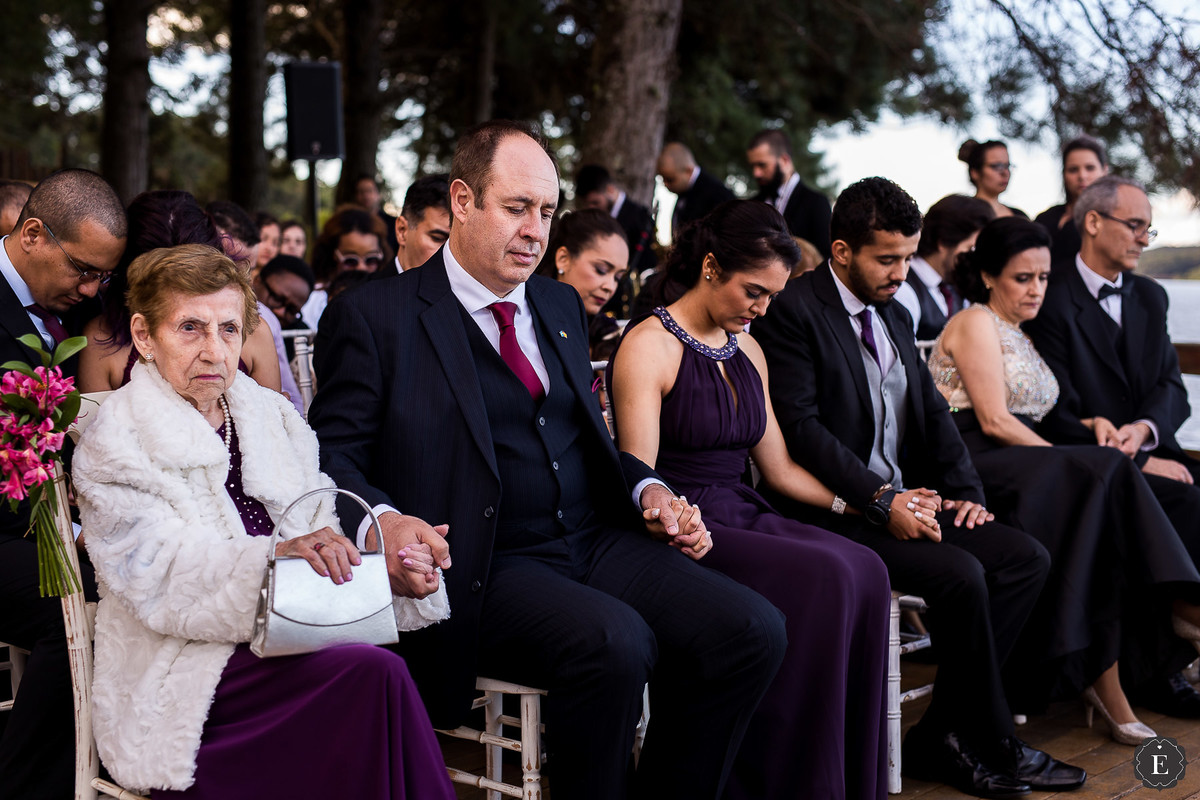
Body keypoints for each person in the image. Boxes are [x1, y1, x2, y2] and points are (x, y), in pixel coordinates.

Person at [309, 120, 787, 800]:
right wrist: (383, 521)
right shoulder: (373, 316)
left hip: (593, 538)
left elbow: (586, 438)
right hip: (481, 561)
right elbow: (333, 452)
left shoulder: (558, 302)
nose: (535, 231)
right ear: (463, 201)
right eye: (516, 208)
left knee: (751, 630)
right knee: (616, 643)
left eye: (546, 211)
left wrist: (649, 490)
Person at [71, 243, 454, 799]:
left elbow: (321, 523)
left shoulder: (269, 415)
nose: (213, 350)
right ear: (144, 335)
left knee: (375, 668)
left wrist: (386, 570)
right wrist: (274, 558)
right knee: (375, 674)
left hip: (295, 638)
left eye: (229, 329)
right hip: (185, 673)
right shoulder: (117, 437)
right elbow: (156, 574)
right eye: (190, 328)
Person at [752, 177, 1085, 797]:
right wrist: (881, 501)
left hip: (907, 499)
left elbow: (932, 414)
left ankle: (946, 734)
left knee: (1023, 559)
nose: (901, 273)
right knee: (961, 575)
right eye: (887, 259)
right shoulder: (792, 311)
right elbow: (803, 430)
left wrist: (967, 495)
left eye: (908, 256)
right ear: (842, 251)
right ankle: (991, 740)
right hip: (833, 511)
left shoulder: (896, 314)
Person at [609, 200, 891, 800]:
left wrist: (862, 507)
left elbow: (779, 469)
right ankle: (780, 780)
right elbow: (639, 473)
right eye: (754, 292)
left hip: (745, 507)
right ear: (711, 266)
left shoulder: (749, 350)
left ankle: (835, 778)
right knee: (827, 575)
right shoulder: (650, 345)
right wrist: (674, 518)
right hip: (686, 524)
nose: (762, 309)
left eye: (772, 297)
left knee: (866, 565)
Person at [929, 216, 1200, 741]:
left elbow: (1035, 412)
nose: (1037, 289)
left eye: (1044, 278)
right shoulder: (975, 322)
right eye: (1022, 278)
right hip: (974, 462)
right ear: (988, 276)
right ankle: (1181, 600)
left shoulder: (1020, 333)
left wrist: (1089, 425)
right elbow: (994, 420)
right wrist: (1068, 458)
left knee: (1099, 503)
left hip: (1022, 462)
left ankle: (1108, 672)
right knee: (1102, 471)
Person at [1025, 175, 1200, 716]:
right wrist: (1136, 461)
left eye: (1150, 228)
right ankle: (1167, 652)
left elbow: (1170, 386)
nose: (1145, 238)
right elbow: (1054, 405)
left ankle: (1175, 629)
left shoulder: (1150, 295)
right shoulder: (1049, 298)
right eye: (1136, 225)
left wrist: (1145, 433)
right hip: (1088, 462)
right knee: (1184, 501)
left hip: (1149, 448)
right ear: (1094, 222)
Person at [0, 168, 126, 800]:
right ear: (32, 235)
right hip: (7, 528)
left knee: (136, 584)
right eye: (81, 269)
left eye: (103, 275)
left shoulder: (80, 310)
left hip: (53, 519)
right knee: (75, 611)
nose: (91, 289)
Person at [77, 191, 283, 399]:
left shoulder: (254, 332)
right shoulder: (101, 341)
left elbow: (272, 415)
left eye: (193, 275)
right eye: (157, 280)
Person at [894, 195, 994, 340]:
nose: (975, 257)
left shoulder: (958, 288)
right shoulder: (903, 287)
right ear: (944, 242)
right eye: (971, 248)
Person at [535, 208, 628, 359]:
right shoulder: (524, 318)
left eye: (618, 278)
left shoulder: (607, 335)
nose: (610, 287)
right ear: (563, 259)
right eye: (601, 270)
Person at [746, 129, 833, 259]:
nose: (756, 173)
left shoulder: (816, 203)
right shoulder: (752, 205)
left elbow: (825, 258)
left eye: (762, 165)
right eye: (753, 166)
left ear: (784, 160)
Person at [300, 206, 391, 327]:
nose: (361, 267)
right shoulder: (313, 303)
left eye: (371, 260)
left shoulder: (392, 298)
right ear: (331, 257)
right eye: (350, 261)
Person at [1033, 136, 1109, 269]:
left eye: (1090, 168)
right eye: (1073, 169)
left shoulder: (1113, 219)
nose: (1082, 176)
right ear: (1064, 174)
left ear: (1104, 171)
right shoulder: (1045, 218)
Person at [575, 164, 658, 275]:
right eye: (587, 204)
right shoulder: (597, 218)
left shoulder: (640, 217)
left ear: (610, 190)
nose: (591, 209)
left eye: (595, 202)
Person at [657, 142, 735, 239]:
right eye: (663, 178)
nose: (665, 184)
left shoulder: (717, 194)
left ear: (688, 171)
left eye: (670, 179)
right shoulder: (684, 192)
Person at [377, 174, 451, 277]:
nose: (451, 253)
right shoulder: (366, 287)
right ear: (402, 231)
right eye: (437, 238)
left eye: (458, 244)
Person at [959, 139, 1026, 219]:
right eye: (997, 166)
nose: (1005, 172)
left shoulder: (1020, 216)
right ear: (975, 172)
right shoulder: (960, 215)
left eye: (1007, 166)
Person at [254, 254, 314, 330]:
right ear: (257, 282)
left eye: (292, 310)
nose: (280, 312)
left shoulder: (301, 333)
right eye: (277, 298)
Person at [354, 174, 400, 255]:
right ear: (356, 196)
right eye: (361, 192)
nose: (366, 196)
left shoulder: (393, 224)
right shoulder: (351, 223)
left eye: (369, 191)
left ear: (378, 195)